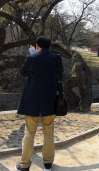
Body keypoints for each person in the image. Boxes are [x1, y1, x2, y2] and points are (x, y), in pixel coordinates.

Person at [15, 36, 64, 171]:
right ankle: (48, 163)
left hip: (32, 101)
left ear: (37, 46)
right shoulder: (56, 59)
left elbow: (22, 72)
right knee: (48, 133)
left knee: (29, 133)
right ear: (49, 47)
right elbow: (61, 73)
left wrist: (33, 57)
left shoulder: (31, 58)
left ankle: (24, 165)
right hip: (49, 100)